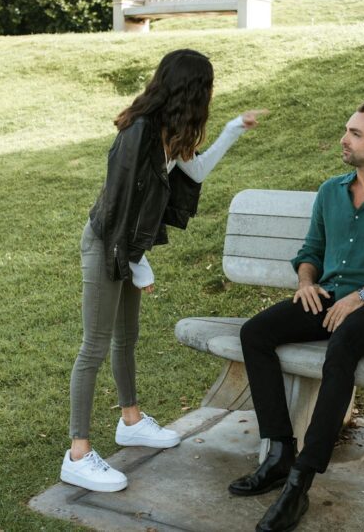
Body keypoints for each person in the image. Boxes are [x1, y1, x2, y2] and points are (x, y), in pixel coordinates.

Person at [61, 48, 266, 493]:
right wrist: (136, 263)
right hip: (106, 245)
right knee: (93, 347)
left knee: (127, 338)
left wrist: (233, 128)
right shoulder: (139, 133)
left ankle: (130, 420)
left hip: (127, 248)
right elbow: (119, 207)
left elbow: (197, 170)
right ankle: (77, 454)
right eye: (207, 89)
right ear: (191, 91)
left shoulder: (170, 133)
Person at [228, 101, 364, 531]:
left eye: (356, 134)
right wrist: (306, 282)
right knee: (255, 333)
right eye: (347, 130)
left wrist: (363, 295)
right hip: (328, 297)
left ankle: (301, 482)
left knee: (341, 346)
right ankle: (280, 454)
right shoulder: (330, 191)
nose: (344, 139)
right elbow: (310, 254)